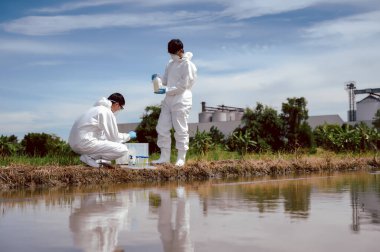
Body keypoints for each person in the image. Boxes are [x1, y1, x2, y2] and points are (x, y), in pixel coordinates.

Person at [152, 39, 197, 167]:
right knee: (162, 127)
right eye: (170, 53)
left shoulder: (187, 65)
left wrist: (166, 89)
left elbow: (183, 85)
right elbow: (166, 80)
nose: (172, 55)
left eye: (174, 52)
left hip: (182, 99)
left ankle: (181, 158)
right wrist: (158, 78)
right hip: (168, 100)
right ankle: (164, 157)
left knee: (180, 129)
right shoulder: (170, 64)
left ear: (181, 51)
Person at [68, 93, 136, 168]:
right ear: (117, 104)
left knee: (106, 155)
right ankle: (90, 157)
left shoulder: (94, 109)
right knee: (123, 149)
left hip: (75, 144)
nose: (119, 110)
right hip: (85, 143)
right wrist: (128, 136)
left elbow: (104, 136)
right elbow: (114, 137)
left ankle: (91, 158)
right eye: (121, 107)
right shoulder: (106, 111)